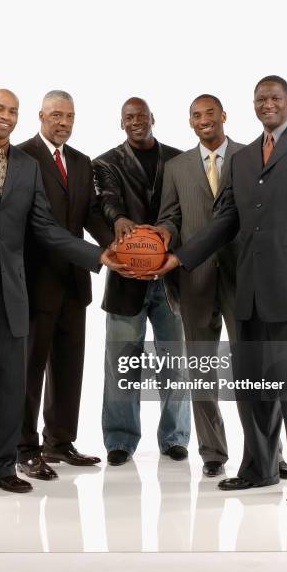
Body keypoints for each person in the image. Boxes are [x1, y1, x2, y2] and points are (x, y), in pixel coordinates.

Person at [149, 76, 287, 504]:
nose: (268, 104)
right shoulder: (243, 160)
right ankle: (258, 469)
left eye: (275, 98)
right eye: (261, 99)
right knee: (254, 387)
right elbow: (224, 222)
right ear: (253, 106)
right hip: (249, 294)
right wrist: (179, 259)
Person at [0, 89, 123, 502]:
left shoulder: (27, 167)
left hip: (13, 293)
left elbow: (45, 228)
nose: (6, 117)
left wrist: (97, 254)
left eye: (12, 111)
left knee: (8, 385)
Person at [155, 94, 287, 478]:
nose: (203, 120)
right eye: (195, 115)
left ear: (224, 116)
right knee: (201, 368)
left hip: (243, 277)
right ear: (190, 122)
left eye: (209, 113)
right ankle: (213, 452)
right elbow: (171, 217)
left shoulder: (252, 157)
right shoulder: (176, 167)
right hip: (194, 280)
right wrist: (162, 234)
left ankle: (269, 452)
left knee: (255, 369)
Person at [16, 90, 113, 479]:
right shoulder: (22, 156)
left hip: (74, 281)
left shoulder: (80, 161)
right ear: (41, 115)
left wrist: (120, 247)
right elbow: (36, 224)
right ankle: (23, 447)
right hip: (36, 279)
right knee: (30, 368)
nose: (64, 123)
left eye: (70, 116)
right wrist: (98, 255)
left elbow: (89, 213)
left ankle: (59, 441)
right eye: (56, 115)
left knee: (69, 367)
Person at [93, 97, 191, 466]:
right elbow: (106, 198)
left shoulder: (180, 160)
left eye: (141, 116)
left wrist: (167, 233)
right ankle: (120, 439)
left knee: (176, 362)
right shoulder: (105, 163)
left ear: (153, 118)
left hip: (170, 277)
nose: (136, 122)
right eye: (128, 118)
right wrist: (118, 219)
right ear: (122, 124)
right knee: (121, 362)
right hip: (127, 279)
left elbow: (184, 208)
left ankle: (175, 437)